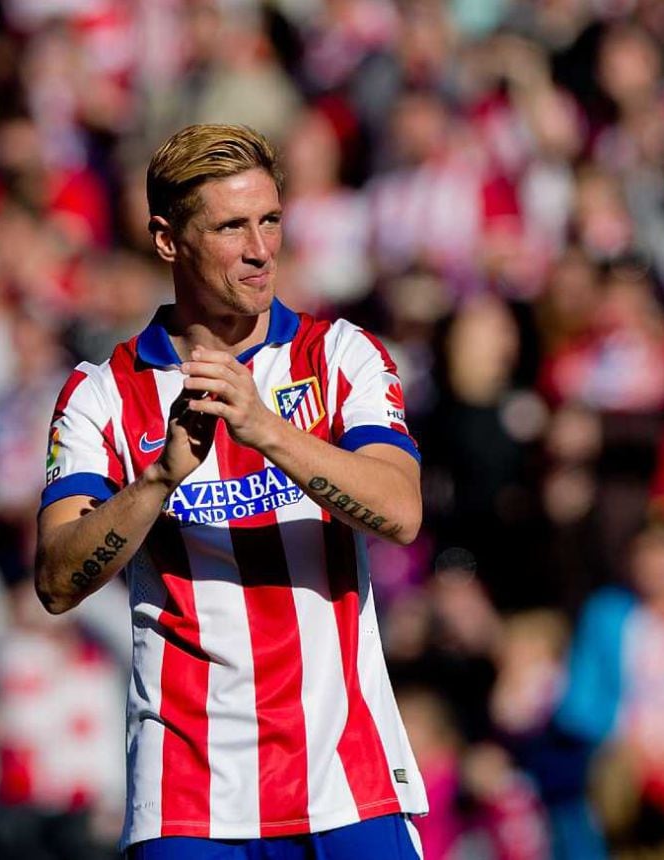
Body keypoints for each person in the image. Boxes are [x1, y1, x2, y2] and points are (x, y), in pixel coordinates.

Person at [34, 124, 427, 859]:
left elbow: (402, 513)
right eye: (231, 227)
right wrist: (156, 478)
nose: (260, 249)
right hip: (189, 800)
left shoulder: (341, 356)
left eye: (271, 220)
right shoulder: (101, 395)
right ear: (166, 240)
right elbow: (57, 579)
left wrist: (266, 430)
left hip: (346, 781)